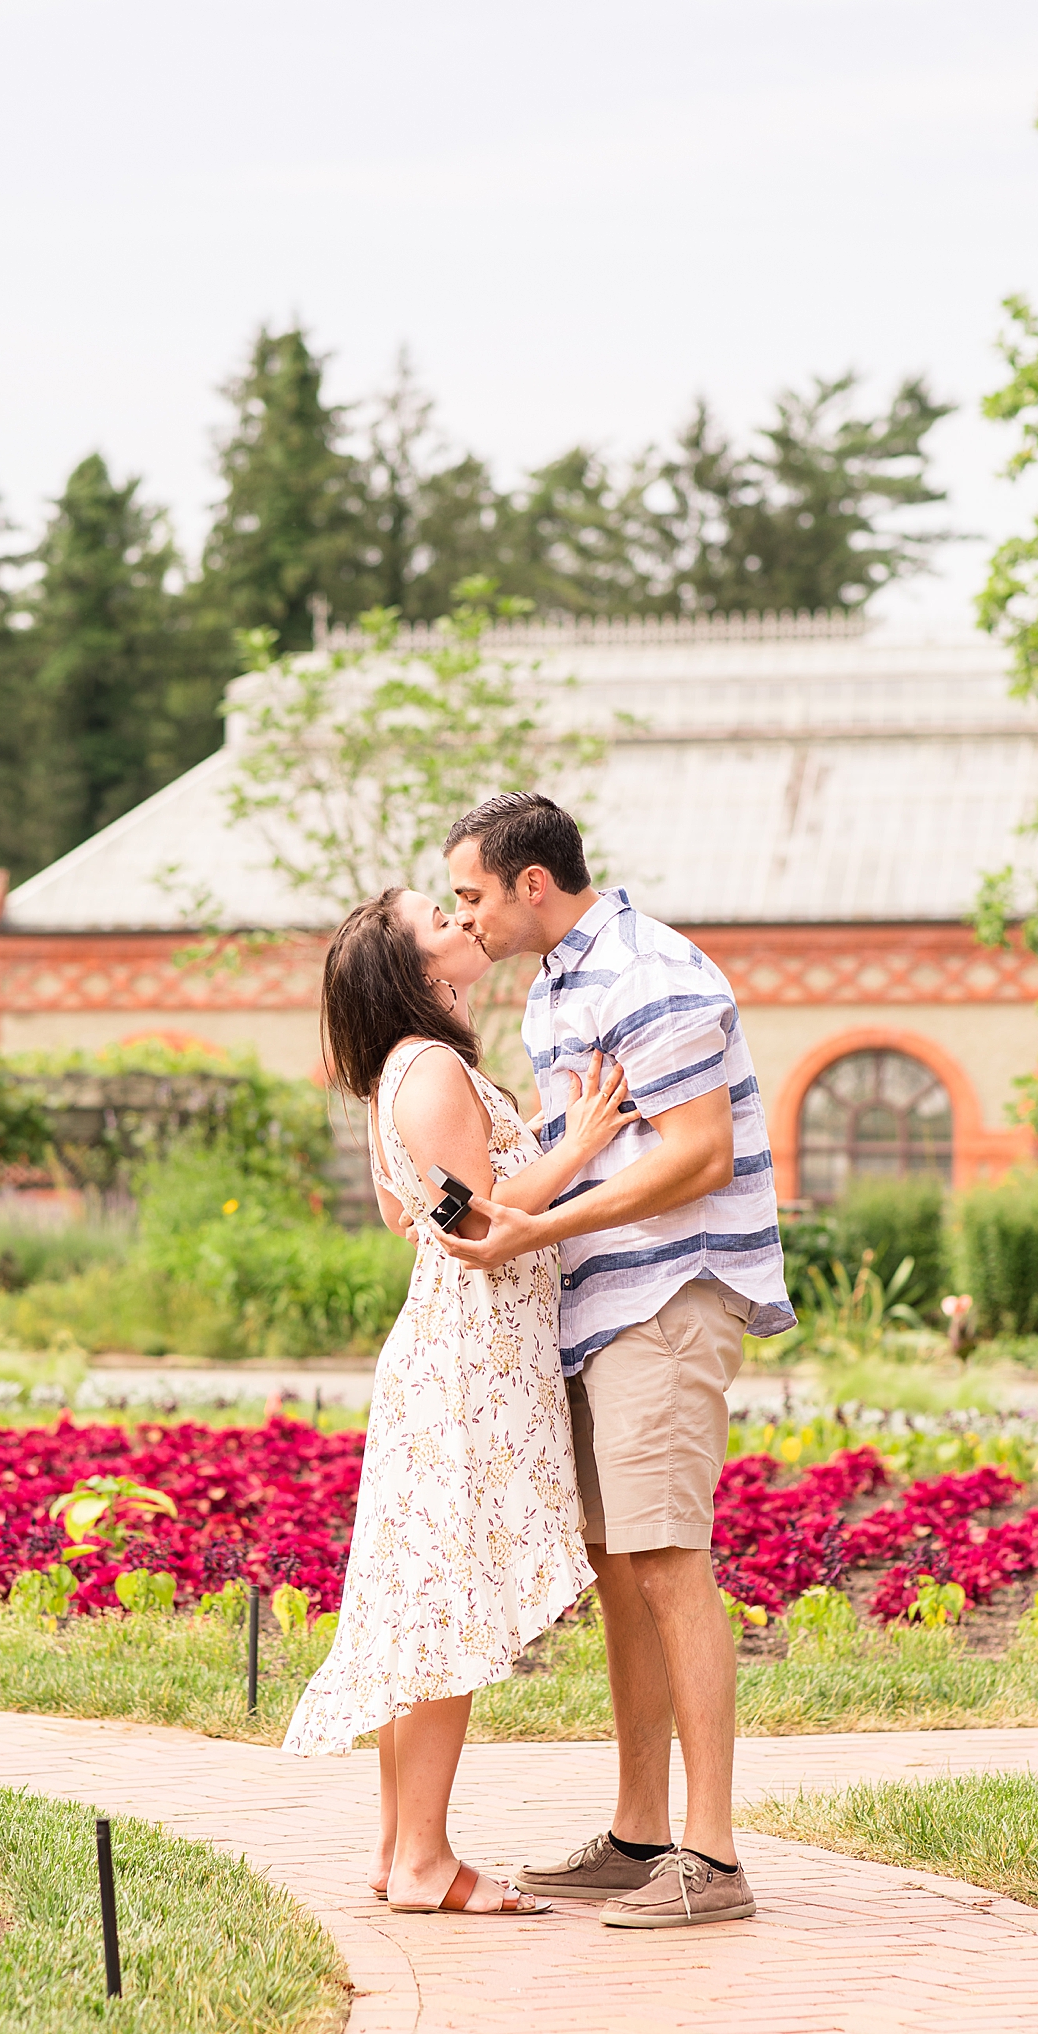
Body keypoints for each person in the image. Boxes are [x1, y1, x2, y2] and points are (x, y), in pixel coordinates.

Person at [439, 792, 797, 1932]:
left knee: (669, 1560)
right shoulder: (559, 987)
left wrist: (534, 1228)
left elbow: (698, 1155)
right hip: (603, 1307)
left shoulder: (652, 973)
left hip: (669, 1296)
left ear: (530, 884)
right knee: (622, 1564)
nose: (468, 919)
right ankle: (643, 1831)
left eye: (472, 896)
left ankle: (715, 1856)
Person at [283, 884, 633, 1916]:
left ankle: (401, 1852)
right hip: (468, 1364)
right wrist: (578, 1146)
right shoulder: (430, 1067)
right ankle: (425, 1858)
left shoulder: (403, 1072)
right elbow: (472, 1220)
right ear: (417, 970)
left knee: (421, 1604)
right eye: (436, 918)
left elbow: (409, 1206)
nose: (459, 922)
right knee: (442, 1608)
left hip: (447, 1356)